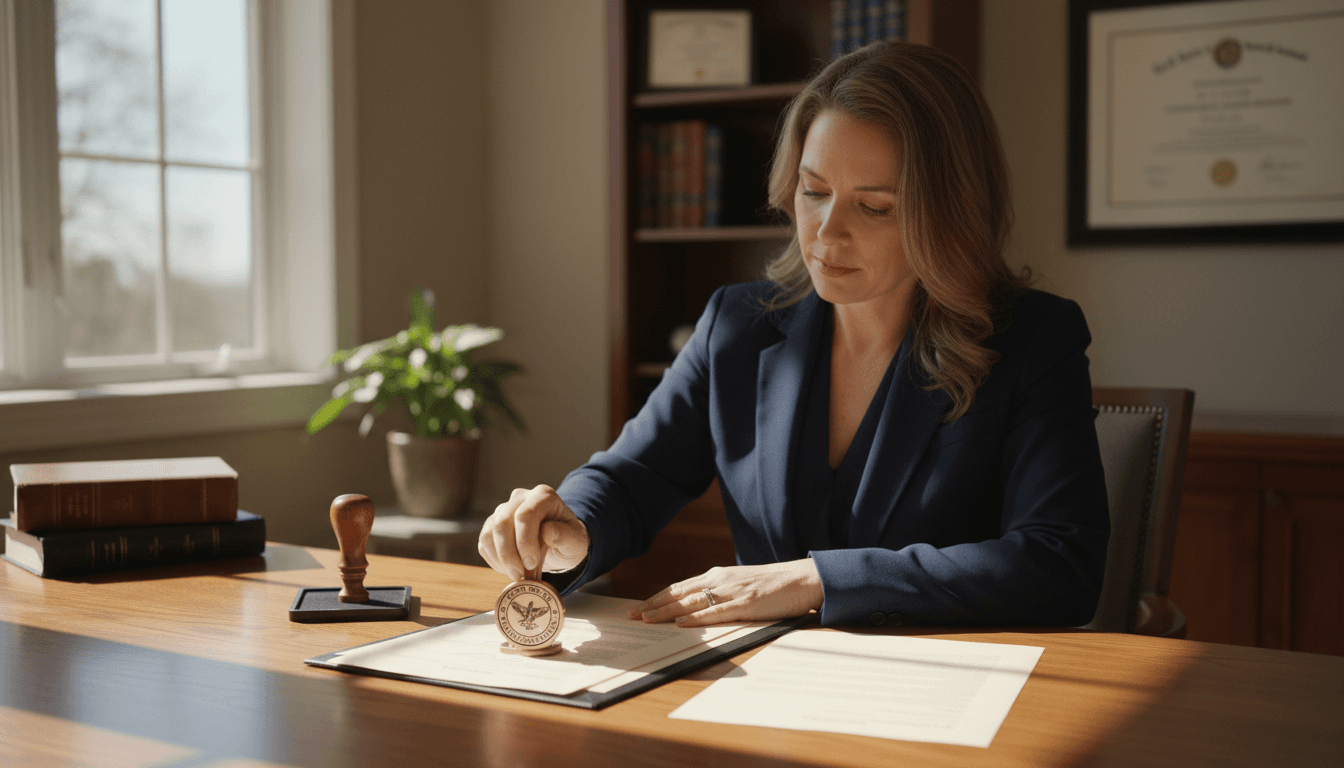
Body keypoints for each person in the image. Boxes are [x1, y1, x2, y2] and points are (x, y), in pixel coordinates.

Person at [479, 41, 1110, 629]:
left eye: (876, 206)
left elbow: (1059, 563)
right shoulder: (738, 325)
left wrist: (818, 579)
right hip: (763, 689)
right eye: (814, 191)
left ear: (949, 210)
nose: (827, 234)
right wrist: (571, 528)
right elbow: (632, 478)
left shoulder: (1033, 338)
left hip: (945, 697)